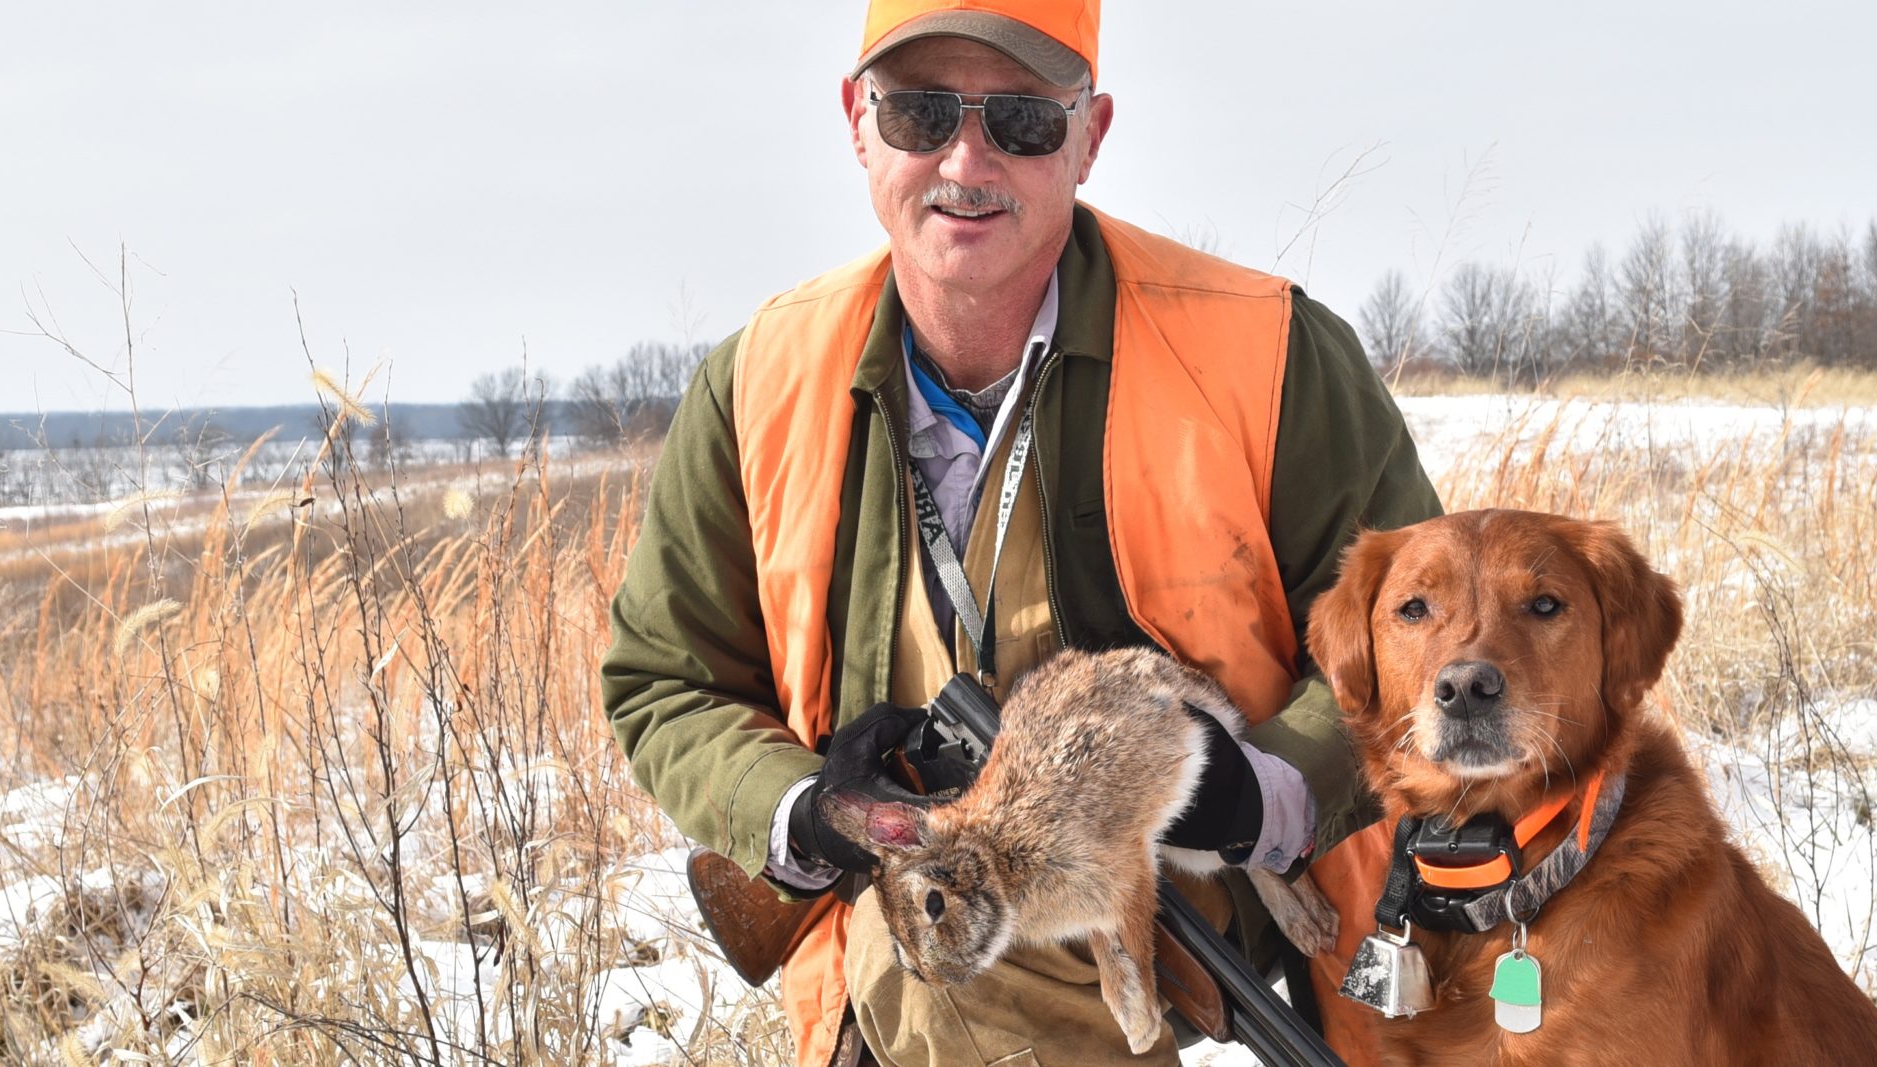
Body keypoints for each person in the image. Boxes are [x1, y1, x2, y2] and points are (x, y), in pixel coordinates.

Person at [599, 2, 1439, 1064]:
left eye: (1022, 122)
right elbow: (661, 680)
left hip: (1214, 891)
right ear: (857, 123)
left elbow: (1432, 636)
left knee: (1000, 961)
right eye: (918, 112)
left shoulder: (1268, 352)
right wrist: (807, 811)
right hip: (922, 902)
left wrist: (1265, 787)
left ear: (1090, 136)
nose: (965, 157)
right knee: (968, 966)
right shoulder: (756, 380)